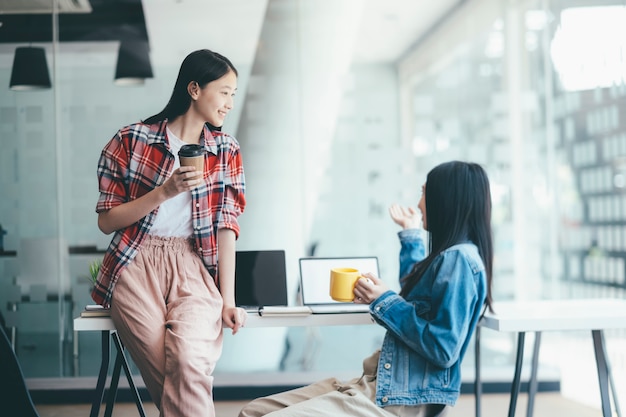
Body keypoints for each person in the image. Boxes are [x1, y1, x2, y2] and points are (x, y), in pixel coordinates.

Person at [238, 160, 493, 417]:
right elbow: (417, 295)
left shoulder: (459, 259)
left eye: (425, 193)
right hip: (377, 384)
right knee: (253, 411)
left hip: (400, 401)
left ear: (446, 200)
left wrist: (384, 300)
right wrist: (410, 235)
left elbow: (443, 348)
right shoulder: (451, 256)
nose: (418, 204)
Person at [93, 49, 247, 417]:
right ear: (194, 89)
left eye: (233, 95)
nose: (228, 103)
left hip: (192, 264)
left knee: (190, 362)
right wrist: (165, 191)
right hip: (134, 263)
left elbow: (228, 226)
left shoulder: (226, 150)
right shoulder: (131, 140)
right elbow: (107, 221)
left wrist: (228, 299)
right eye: (224, 91)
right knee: (175, 373)